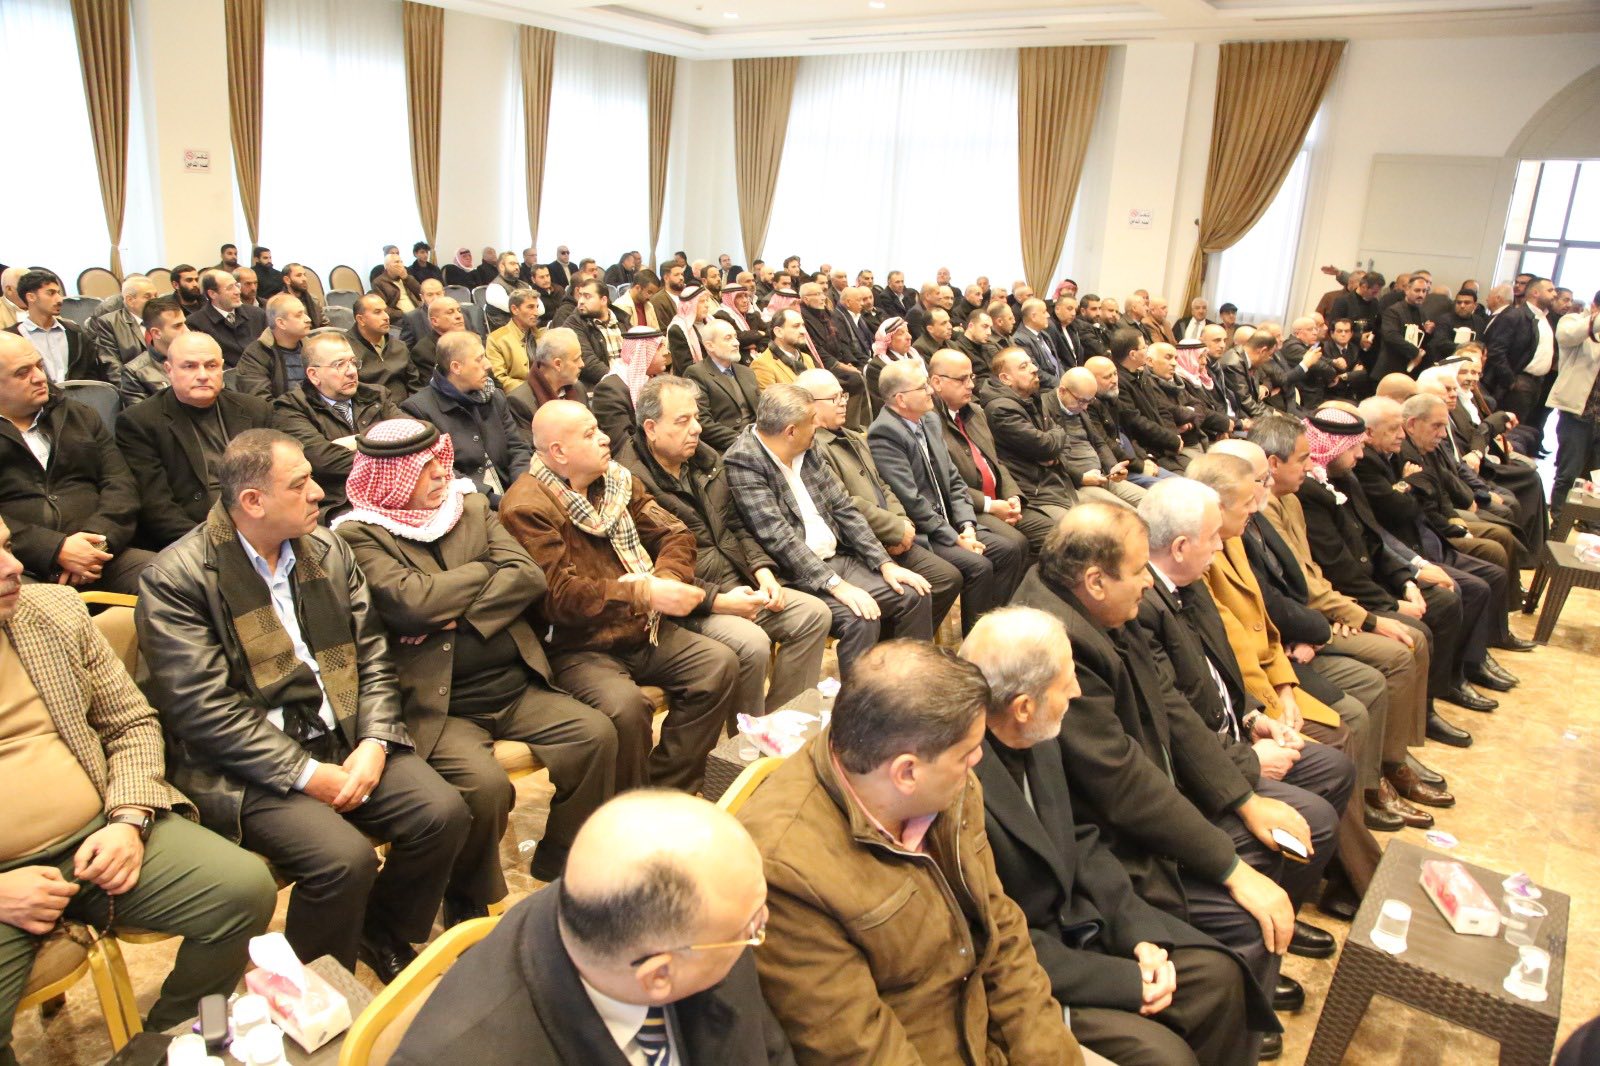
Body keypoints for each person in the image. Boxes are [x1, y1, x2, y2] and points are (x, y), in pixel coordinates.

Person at [135, 429, 472, 981]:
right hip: (246, 767)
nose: (318, 492)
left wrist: (375, 741)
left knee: (442, 813)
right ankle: (311, 988)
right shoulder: (177, 577)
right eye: (300, 484)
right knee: (343, 859)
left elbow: (372, 656)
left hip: (341, 733)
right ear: (253, 501)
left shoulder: (328, 550)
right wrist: (305, 774)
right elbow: (202, 710)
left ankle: (379, 929)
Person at [1012, 504, 1321, 1024]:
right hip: (1114, 842)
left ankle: (1249, 984)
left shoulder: (1102, 609)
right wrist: (1227, 864)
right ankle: (1240, 1002)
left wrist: (1243, 798)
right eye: (1138, 570)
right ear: (1095, 581)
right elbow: (1120, 781)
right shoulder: (1057, 644)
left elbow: (1169, 705)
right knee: (1244, 913)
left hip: (1159, 790)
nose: (1148, 582)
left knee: (1281, 840)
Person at [737, 640, 1090, 1066]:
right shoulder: (786, 871)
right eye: (967, 754)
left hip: (989, 1038)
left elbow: (1002, 933)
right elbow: (858, 1048)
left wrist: (1051, 1057)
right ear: (906, 772)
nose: (978, 761)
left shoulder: (944, 785)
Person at [0, 529, 278, 1066]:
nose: (12, 567)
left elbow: (129, 723)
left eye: (9, 547)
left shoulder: (52, 610)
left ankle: (167, 1048)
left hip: (99, 831)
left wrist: (127, 820)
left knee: (243, 890)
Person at [964, 606, 1271, 1065]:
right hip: (1032, 970)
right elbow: (991, 939)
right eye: (1066, 682)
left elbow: (1081, 840)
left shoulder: (1036, 735)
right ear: (1023, 707)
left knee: (1219, 976)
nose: (1077, 691)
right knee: (1164, 1057)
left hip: (1085, 926)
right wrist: (1121, 980)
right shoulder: (960, 783)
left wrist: (1136, 931)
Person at [332, 419, 614, 896]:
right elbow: (412, 604)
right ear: (391, 477)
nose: (440, 474)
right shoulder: (360, 534)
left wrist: (457, 616)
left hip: (513, 683)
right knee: (485, 788)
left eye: (439, 462)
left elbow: (526, 576)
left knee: (596, 736)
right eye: (423, 469)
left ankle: (561, 859)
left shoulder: (470, 506)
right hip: (441, 705)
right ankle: (470, 900)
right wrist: (485, 570)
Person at [390, 791, 794, 1065]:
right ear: (659, 975)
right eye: (752, 927)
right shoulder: (466, 1052)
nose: (761, 927)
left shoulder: (706, 914)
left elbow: (765, 1049)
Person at [500, 400, 737, 795]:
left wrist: (665, 582)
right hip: (576, 647)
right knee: (626, 708)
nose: (605, 439)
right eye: (590, 434)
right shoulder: (526, 506)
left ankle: (668, 789)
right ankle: (627, 806)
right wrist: (642, 592)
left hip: (642, 628)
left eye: (599, 428)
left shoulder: (616, 481)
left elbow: (675, 533)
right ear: (558, 451)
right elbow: (557, 597)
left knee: (718, 665)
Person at [618, 377, 832, 720]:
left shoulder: (706, 461)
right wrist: (718, 600)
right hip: (690, 604)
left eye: (696, 417)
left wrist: (763, 572)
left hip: (738, 581)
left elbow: (737, 523)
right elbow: (649, 567)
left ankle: (782, 722)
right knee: (752, 643)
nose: (696, 429)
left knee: (813, 614)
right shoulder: (629, 483)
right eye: (682, 421)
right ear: (651, 428)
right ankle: (747, 742)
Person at [723, 384, 934, 675]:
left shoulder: (807, 447)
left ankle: (909, 684)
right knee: (860, 617)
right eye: (812, 420)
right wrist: (838, 586)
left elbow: (843, 508)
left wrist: (885, 564)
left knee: (914, 594)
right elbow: (779, 537)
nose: (818, 425)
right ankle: (860, 700)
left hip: (837, 557)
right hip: (795, 574)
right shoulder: (744, 460)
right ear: (790, 431)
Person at [796, 369, 964, 638]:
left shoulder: (853, 437)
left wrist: (903, 523)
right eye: (834, 398)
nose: (843, 403)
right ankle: (893, 649)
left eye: (843, 395)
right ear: (809, 405)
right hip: (860, 542)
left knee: (947, 578)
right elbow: (845, 503)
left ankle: (895, 644)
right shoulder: (812, 449)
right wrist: (894, 530)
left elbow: (883, 485)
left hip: (893, 532)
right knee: (924, 588)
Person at [869, 357, 1025, 630]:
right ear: (901, 399)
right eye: (923, 387)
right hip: (924, 531)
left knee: (1010, 549)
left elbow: (953, 479)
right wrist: (955, 539)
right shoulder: (884, 434)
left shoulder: (929, 420)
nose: (930, 391)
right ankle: (976, 640)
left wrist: (967, 527)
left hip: (950, 521)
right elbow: (912, 501)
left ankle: (998, 628)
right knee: (979, 566)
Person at [0, 334, 151, 593]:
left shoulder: (78, 415)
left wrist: (95, 545)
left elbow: (120, 485)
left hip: (101, 554)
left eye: (39, 365)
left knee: (176, 580)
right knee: (36, 608)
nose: (39, 377)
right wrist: (55, 549)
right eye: (23, 373)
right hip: (21, 566)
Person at [118, 333, 275, 550]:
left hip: (261, 524)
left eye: (211, 366)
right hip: (194, 537)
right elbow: (157, 508)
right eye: (190, 366)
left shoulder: (255, 410)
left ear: (222, 368)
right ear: (169, 370)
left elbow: (275, 478)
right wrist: (218, 544)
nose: (203, 375)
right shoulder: (140, 422)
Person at [925, 347, 1059, 548]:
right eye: (962, 379)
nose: (971, 385)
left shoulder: (975, 412)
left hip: (1001, 500)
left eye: (971, 377)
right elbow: (944, 483)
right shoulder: (928, 423)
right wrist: (990, 505)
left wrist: (1012, 496)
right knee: (1015, 544)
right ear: (937, 382)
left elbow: (996, 462)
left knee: (1057, 534)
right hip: (970, 508)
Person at [272, 332, 406, 517]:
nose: (352, 371)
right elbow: (324, 461)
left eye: (353, 362)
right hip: (340, 504)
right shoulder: (291, 408)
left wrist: (356, 441)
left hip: (395, 490)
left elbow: (414, 434)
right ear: (314, 375)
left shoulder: (376, 395)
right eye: (339, 364)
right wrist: (388, 445)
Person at [402, 332, 531, 508]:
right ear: (456, 367)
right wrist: (497, 501)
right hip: (468, 504)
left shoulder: (495, 396)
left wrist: (522, 487)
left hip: (514, 491)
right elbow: (442, 471)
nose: (488, 365)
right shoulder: (419, 410)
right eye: (479, 359)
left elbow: (517, 447)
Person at [983, 347, 1084, 523]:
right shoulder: (1000, 409)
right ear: (1005, 378)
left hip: (1057, 483)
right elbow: (1046, 446)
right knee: (1084, 529)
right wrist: (1053, 445)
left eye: (1031, 363)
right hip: (1036, 494)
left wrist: (1055, 457)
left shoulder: (1032, 397)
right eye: (1024, 366)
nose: (1034, 368)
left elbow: (1061, 437)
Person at [6, 270, 105, 384]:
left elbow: (92, 373)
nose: (59, 299)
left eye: (58, 293)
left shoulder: (75, 332)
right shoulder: (12, 339)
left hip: (78, 394)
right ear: (31, 297)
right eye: (51, 293)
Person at [1550, 295, 1600, 513]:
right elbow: (1567, 336)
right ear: (1594, 306)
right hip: (1577, 415)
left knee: (1597, 477)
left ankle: (1591, 522)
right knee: (1569, 473)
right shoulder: (1572, 321)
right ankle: (1559, 520)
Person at [684, 318, 761, 451]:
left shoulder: (747, 372)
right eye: (728, 338)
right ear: (710, 346)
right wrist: (742, 441)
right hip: (726, 447)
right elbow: (702, 421)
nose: (736, 343)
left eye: (735, 337)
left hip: (758, 439)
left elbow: (761, 410)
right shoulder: (697, 373)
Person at [590, 326, 669, 446]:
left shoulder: (658, 379)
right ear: (642, 352)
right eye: (659, 347)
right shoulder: (609, 390)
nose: (666, 352)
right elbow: (623, 445)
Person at [347, 293, 425, 404]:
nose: (386, 317)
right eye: (377, 312)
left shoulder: (399, 346)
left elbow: (414, 385)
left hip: (405, 407)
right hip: (370, 409)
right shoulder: (345, 349)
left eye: (385, 311)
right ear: (361, 319)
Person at [504, 326, 588, 425]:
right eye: (576, 359)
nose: (582, 364)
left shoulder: (578, 388)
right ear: (557, 364)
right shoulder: (520, 402)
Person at [235, 293, 313, 399]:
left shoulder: (313, 348)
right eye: (299, 315)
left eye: (305, 313)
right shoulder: (255, 355)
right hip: (281, 409)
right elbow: (261, 401)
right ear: (281, 323)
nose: (308, 319)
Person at [185, 269, 266, 368]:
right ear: (212, 294)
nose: (237, 291)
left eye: (237, 285)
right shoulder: (196, 323)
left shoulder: (257, 314)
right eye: (230, 288)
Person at [119, 295, 188, 405]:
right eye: (178, 326)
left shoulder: (201, 356)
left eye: (184, 323)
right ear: (156, 333)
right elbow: (140, 414)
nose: (187, 331)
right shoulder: (135, 372)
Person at [86, 274, 157, 375]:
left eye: (156, 296)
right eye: (148, 297)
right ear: (130, 300)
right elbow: (113, 368)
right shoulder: (109, 323)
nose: (155, 301)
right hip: (131, 382)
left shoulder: (163, 319)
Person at [484, 252, 533, 334]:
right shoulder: (494, 288)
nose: (517, 267)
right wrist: (531, 306)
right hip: (505, 334)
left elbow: (541, 310)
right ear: (502, 266)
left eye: (517, 264)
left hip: (526, 331)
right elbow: (513, 309)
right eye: (512, 264)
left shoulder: (525, 285)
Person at [373, 252, 424, 321]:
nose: (400, 265)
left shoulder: (406, 278)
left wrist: (407, 278)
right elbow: (382, 308)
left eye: (401, 262)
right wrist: (403, 314)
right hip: (400, 319)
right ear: (387, 266)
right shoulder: (379, 282)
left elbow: (421, 293)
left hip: (417, 313)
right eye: (396, 262)